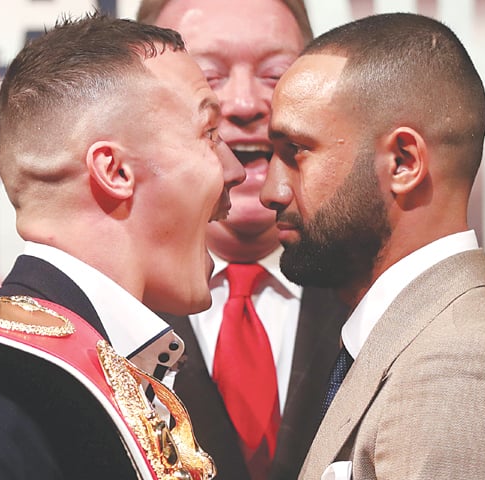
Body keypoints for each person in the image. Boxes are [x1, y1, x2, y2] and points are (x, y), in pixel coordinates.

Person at [0, 12, 245, 479]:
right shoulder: (1, 380)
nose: (234, 169)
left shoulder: (86, 366)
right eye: (209, 133)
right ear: (114, 171)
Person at [260, 13, 485, 480]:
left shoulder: (462, 368)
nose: (270, 190)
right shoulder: (411, 347)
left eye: (296, 151)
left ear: (402, 162)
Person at [137, 1, 351, 479]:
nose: (244, 103)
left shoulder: (378, 301)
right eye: (206, 78)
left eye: (276, 74)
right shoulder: (101, 315)